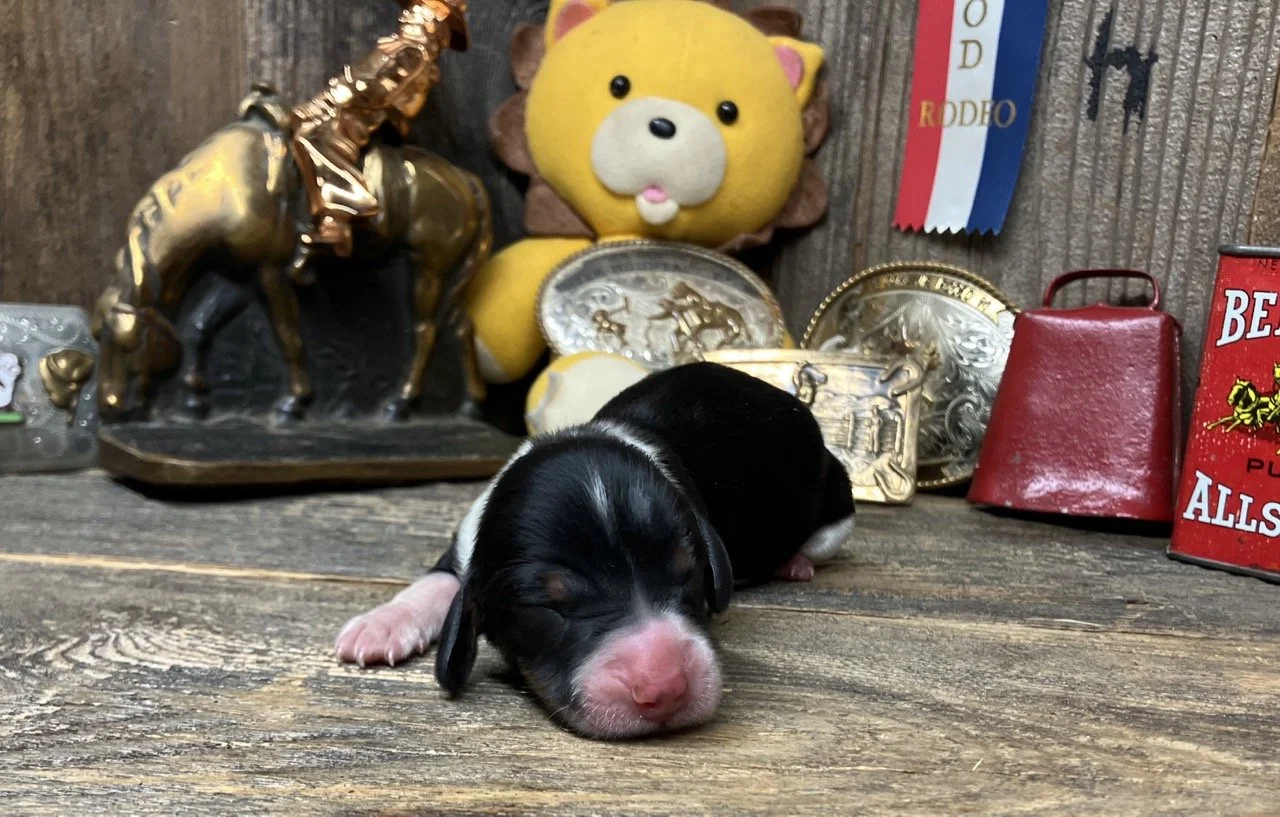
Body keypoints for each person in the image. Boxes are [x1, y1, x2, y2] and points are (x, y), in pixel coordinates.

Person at [289, 0, 469, 272]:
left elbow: (371, 86)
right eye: (413, 7)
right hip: (350, 106)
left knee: (312, 136)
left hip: (353, 116)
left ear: (433, 22)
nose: (410, 13)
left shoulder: (412, 52)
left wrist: (331, 100)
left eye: (420, 9)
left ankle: (336, 218)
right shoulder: (403, 46)